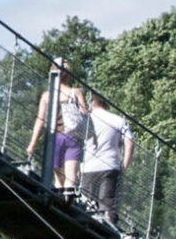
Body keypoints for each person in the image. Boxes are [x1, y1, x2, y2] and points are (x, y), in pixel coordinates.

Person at [25, 59, 87, 189]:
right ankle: (68, 201)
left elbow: (40, 121)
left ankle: (58, 202)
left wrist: (32, 144)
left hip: (55, 138)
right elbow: (85, 114)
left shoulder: (47, 96)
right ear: (68, 75)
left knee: (58, 178)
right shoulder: (76, 92)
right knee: (71, 176)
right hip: (73, 137)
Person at [76, 91, 133, 226]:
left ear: (92, 103)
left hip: (88, 168)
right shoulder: (118, 120)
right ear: (106, 104)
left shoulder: (86, 120)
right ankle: (109, 229)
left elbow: (76, 141)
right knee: (107, 205)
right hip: (110, 166)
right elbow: (130, 141)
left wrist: (77, 165)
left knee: (86, 205)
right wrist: (124, 165)